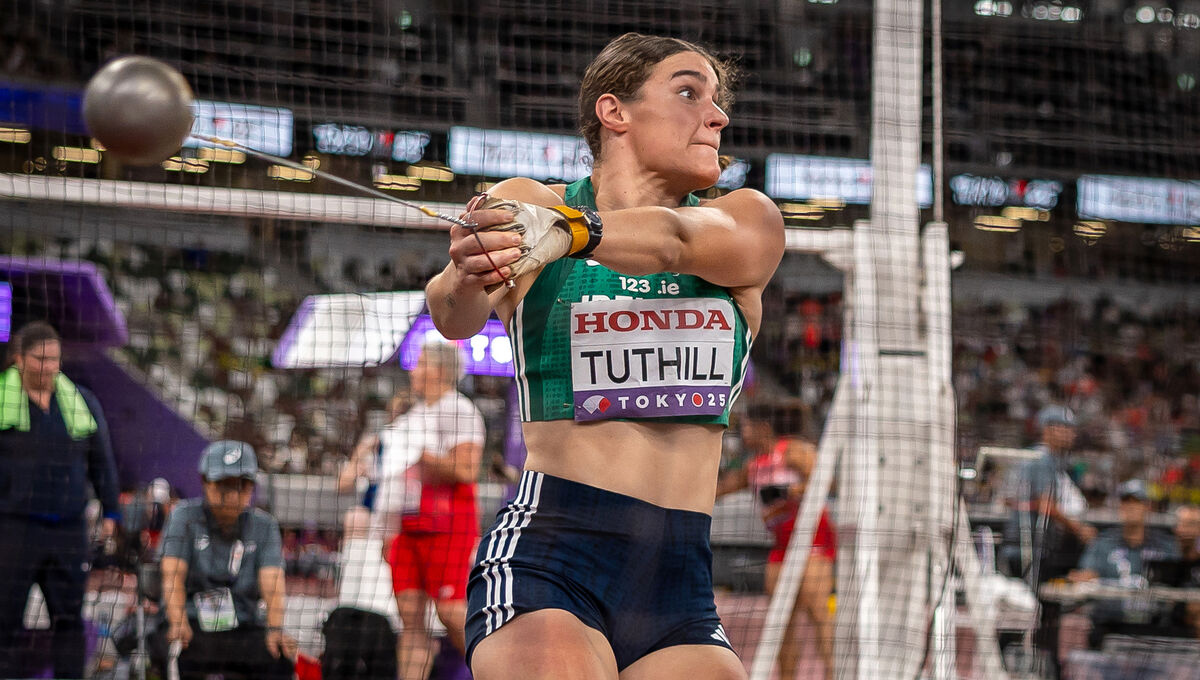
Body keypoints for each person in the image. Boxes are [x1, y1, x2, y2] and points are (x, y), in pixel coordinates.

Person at [425, 32, 784, 680]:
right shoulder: (532, 201)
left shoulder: (747, 220)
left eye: (717, 100)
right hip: (553, 556)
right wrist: (466, 271)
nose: (718, 116)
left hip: (680, 584)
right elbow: (453, 315)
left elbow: (674, 240)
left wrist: (572, 232)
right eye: (687, 92)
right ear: (614, 112)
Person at [340, 340, 484, 680]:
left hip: (447, 525)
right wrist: (387, 531)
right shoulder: (414, 417)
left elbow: (467, 470)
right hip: (406, 526)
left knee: (450, 612)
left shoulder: (460, 410)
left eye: (420, 363)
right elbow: (391, 480)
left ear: (440, 371)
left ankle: (492, 671)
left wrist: (420, 454)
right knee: (409, 617)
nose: (413, 370)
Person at [0, 320, 121, 678]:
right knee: (5, 618)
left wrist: (111, 510)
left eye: (54, 359)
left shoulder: (82, 401)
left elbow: (102, 460)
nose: (49, 367)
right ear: (18, 359)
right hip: (13, 528)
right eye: (40, 359)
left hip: (68, 531)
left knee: (68, 619)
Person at [716, 404, 834, 680]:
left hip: (813, 546)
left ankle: (833, 675)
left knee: (820, 621)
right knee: (782, 625)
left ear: (763, 428)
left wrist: (789, 490)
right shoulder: (753, 466)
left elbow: (826, 480)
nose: (742, 432)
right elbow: (719, 490)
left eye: (746, 426)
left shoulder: (793, 451)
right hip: (780, 549)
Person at [159, 440, 294, 679]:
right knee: (178, 652)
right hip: (193, 623)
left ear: (252, 487)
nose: (232, 495)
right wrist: (178, 621)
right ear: (204, 482)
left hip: (243, 626)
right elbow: (172, 576)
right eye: (223, 485)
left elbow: (273, 582)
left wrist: (275, 628)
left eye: (241, 485)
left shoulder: (265, 526)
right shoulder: (184, 517)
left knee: (279, 658)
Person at [999, 404, 1095, 679]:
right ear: (1049, 430)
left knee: (1038, 609)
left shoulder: (1041, 459)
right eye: (1065, 428)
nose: (1071, 434)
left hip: (1031, 548)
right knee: (1029, 609)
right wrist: (1078, 528)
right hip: (1028, 549)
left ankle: (1042, 664)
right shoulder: (1041, 458)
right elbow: (1044, 504)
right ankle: (1021, 661)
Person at [1068, 479, 1181, 648]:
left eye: (1137, 502)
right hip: (1110, 625)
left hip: (1154, 626)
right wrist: (1087, 578)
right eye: (1126, 502)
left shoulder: (1166, 545)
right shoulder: (1103, 542)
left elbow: (1178, 581)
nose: (1131, 508)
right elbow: (1082, 576)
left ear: (1147, 507)